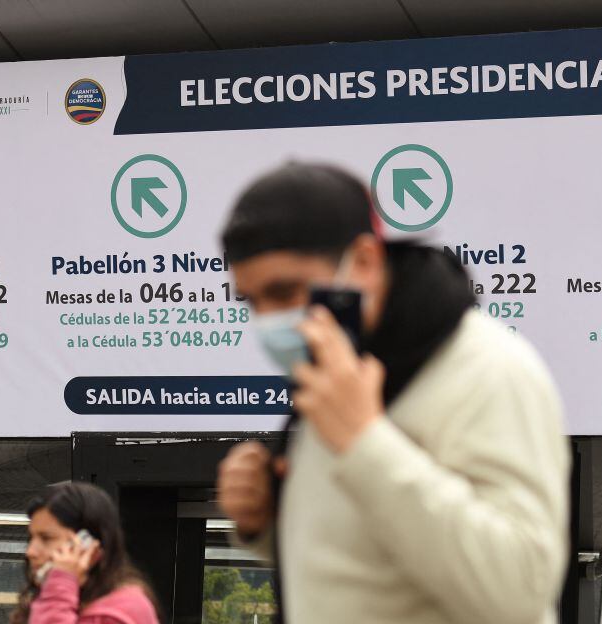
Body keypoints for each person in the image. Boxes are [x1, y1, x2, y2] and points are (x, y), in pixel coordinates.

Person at [216, 162, 570, 624]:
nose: (267, 319)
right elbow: (360, 569)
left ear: (363, 261)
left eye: (285, 291)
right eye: (251, 300)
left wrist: (366, 444)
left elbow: (519, 589)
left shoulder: (490, 368)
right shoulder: (338, 371)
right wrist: (265, 521)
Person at [12, 482, 159, 624]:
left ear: (87, 543)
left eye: (47, 538)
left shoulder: (122, 610)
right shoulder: (56, 597)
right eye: (31, 538)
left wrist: (59, 587)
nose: (30, 551)